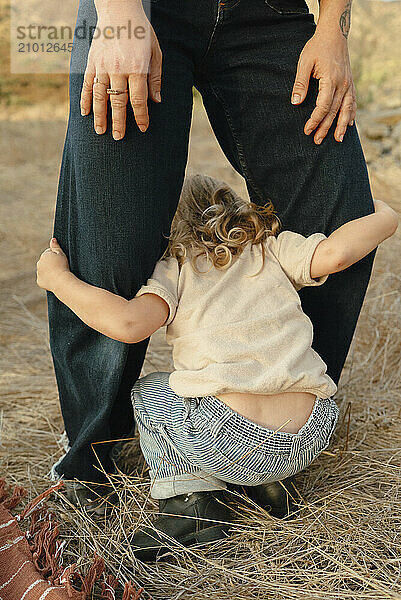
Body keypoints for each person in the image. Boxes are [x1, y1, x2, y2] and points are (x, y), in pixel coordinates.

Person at [47, 0, 376, 515]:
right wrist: (117, 15)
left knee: (336, 209)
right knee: (109, 237)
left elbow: (133, 322)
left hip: (269, 12)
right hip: (141, 7)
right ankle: (92, 466)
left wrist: (333, 29)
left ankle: (264, 448)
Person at [37, 174, 398, 560]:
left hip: (231, 441)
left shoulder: (175, 269)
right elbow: (337, 255)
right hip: (312, 431)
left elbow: (128, 324)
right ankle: (273, 483)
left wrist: (59, 280)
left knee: (148, 395)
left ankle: (191, 505)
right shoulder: (271, 249)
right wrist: (387, 215)